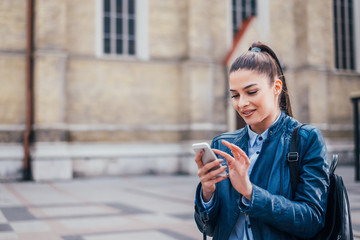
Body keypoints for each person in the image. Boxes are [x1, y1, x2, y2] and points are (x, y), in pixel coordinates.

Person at [193, 41, 329, 240]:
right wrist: (207, 192)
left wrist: (250, 192)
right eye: (235, 95)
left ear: (276, 87)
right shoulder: (222, 145)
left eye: (251, 92)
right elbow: (210, 229)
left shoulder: (306, 140)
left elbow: (311, 221)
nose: (242, 103)